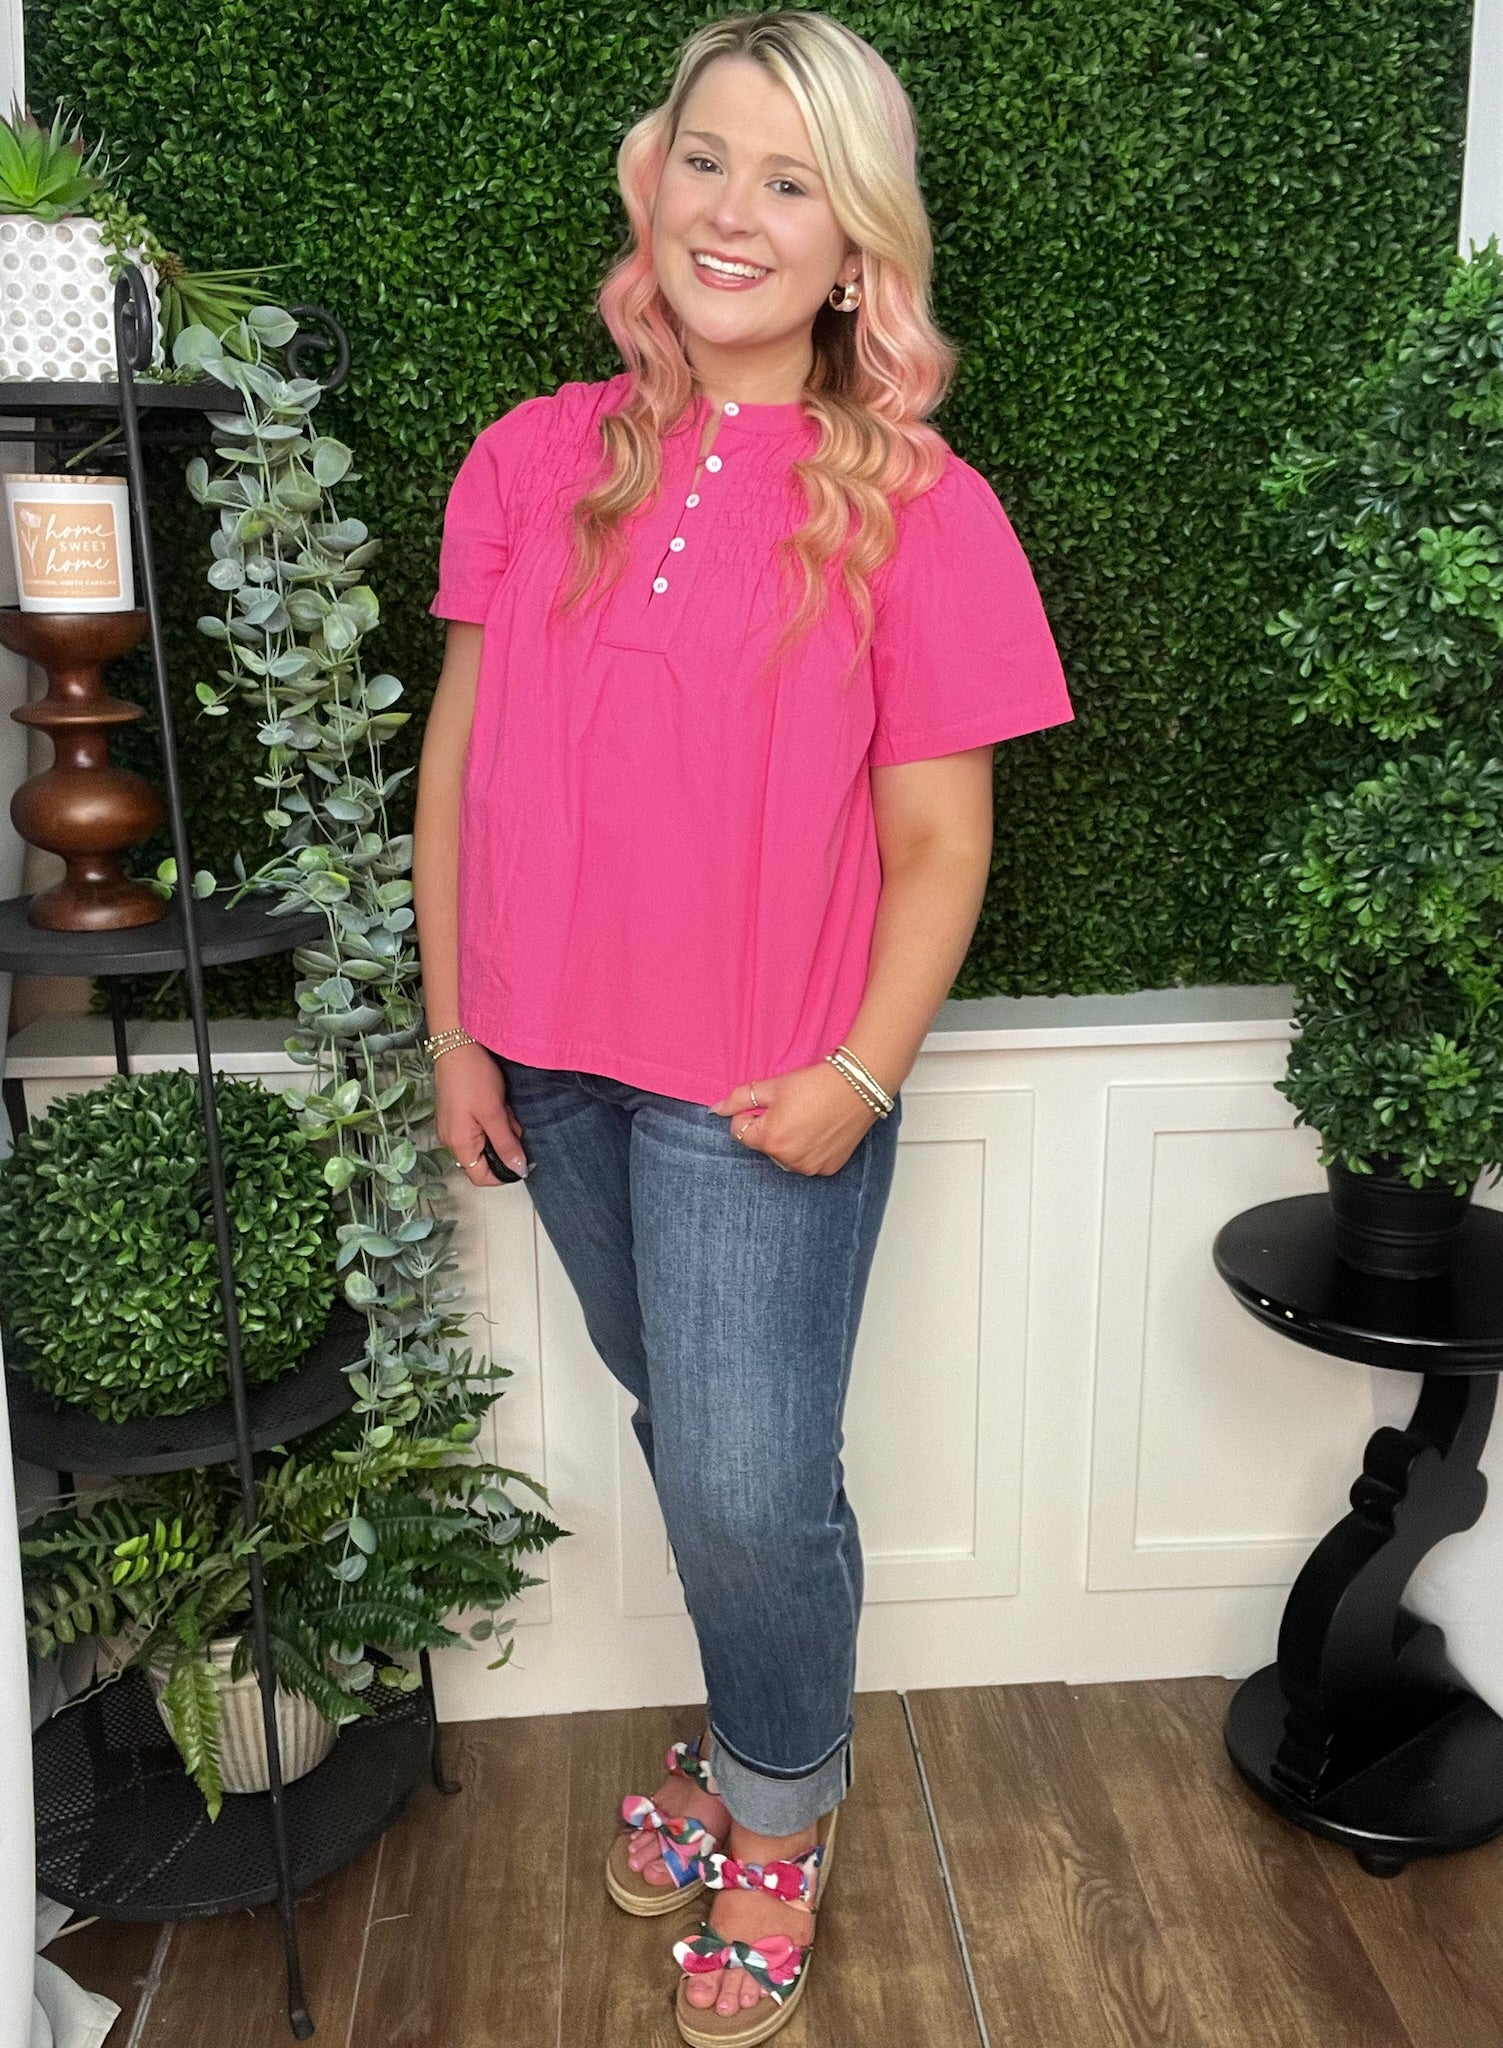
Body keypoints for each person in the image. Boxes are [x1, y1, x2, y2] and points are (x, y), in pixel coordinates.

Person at [413, 9, 1073, 2039]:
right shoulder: (534, 457)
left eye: (793, 181)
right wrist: (455, 1027)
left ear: (858, 247)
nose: (735, 210)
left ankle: (778, 1803)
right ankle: (751, 1735)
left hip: (765, 1083)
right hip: (550, 1061)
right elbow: (459, 758)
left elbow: (943, 838)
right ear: (652, 184)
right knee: (694, 1443)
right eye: (707, 159)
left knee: (747, 1479)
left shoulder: (921, 505)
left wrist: (863, 1072)